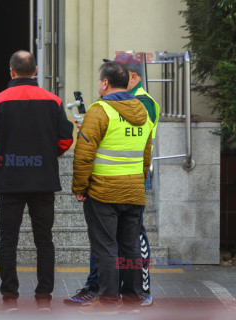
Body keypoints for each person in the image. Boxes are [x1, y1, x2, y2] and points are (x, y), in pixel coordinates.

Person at [0, 50, 74, 312]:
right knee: (44, 240)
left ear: (11, 71)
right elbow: (66, 139)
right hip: (44, 181)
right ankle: (44, 298)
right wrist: (47, 155)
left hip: (10, 181)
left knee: (7, 240)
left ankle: (10, 297)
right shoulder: (53, 101)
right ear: (35, 71)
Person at [65, 52, 159, 307]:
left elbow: (84, 155)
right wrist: (139, 180)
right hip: (133, 191)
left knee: (106, 247)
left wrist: (79, 187)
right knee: (129, 247)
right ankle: (134, 297)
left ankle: (107, 298)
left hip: (103, 192)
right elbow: (146, 151)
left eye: (99, 81)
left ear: (105, 83)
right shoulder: (141, 110)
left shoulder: (100, 110)